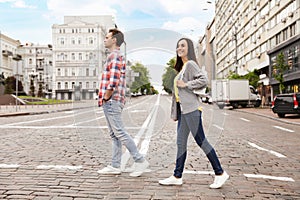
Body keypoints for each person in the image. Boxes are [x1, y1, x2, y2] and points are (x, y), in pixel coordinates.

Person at [158, 38, 229, 188]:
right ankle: (177, 176)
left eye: (183, 45)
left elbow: (203, 80)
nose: (179, 48)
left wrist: (186, 84)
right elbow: (177, 95)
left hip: (191, 110)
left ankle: (220, 173)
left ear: (189, 48)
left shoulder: (190, 64)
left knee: (201, 141)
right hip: (184, 112)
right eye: (178, 46)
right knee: (180, 143)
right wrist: (175, 113)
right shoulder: (182, 68)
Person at [97, 28, 149, 177]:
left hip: (112, 100)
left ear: (114, 40)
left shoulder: (114, 56)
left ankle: (140, 160)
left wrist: (106, 97)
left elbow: (113, 80)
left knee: (119, 132)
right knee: (114, 134)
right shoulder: (116, 56)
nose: (104, 40)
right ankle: (115, 165)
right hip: (113, 100)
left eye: (107, 37)